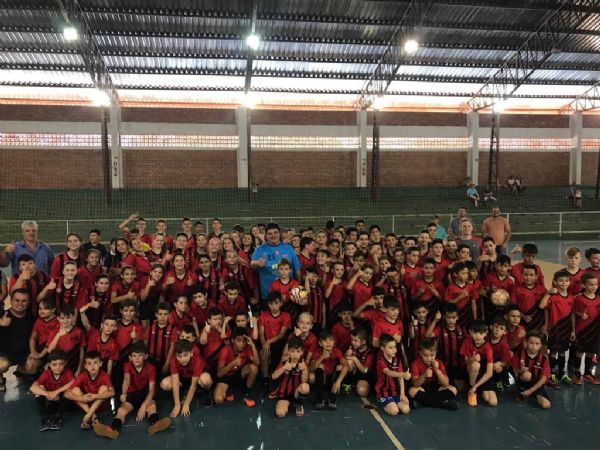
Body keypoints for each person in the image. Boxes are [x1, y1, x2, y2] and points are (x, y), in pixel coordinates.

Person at [93, 341, 170, 439]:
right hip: (132, 394)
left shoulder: (151, 368)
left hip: (146, 393)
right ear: (130, 357)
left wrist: (143, 407)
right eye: (134, 356)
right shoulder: (127, 365)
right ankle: (112, 429)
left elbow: (152, 390)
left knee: (151, 407)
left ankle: (155, 424)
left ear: (146, 356)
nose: (137, 359)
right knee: (121, 410)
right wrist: (124, 393)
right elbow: (126, 379)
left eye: (140, 356)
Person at [251, 223, 301, 305]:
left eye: (275, 232)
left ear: (279, 234)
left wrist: (298, 288)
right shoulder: (260, 249)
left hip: (290, 295)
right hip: (268, 295)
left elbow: (297, 269)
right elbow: (252, 264)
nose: (273, 235)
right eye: (270, 233)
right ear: (266, 236)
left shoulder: (288, 248)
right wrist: (257, 263)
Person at [161, 339, 213, 417]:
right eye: (179, 356)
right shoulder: (173, 360)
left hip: (198, 380)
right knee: (164, 384)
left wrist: (186, 404)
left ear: (191, 353)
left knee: (205, 380)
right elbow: (175, 382)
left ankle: (207, 392)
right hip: (184, 378)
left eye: (185, 355)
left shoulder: (197, 360)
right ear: (176, 354)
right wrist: (177, 405)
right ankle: (183, 392)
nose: (182, 359)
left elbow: (193, 385)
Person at [539, 270, 574, 386]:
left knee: (563, 352)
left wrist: (573, 330)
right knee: (553, 352)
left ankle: (562, 373)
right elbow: (542, 305)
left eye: (566, 281)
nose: (564, 283)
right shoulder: (553, 297)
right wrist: (548, 293)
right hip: (554, 329)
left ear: (569, 282)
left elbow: (573, 314)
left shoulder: (571, 298)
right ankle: (552, 374)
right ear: (555, 282)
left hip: (566, 329)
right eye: (561, 280)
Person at [65, 350, 115, 430]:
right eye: (89, 363)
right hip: (87, 404)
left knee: (104, 388)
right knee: (75, 390)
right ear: (85, 366)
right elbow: (66, 394)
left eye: (95, 363)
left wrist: (96, 396)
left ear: (100, 364)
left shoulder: (104, 375)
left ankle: (88, 416)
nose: (92, 366)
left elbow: (112, 392)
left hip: (100, 405)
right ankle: (93, 416)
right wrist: (81, 398)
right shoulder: (83, 376)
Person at [214, 327, 260, 408]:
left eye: (244, 341)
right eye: (239, 340)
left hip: (238, 374)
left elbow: (257, 363)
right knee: (219, 400)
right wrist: (233, 363)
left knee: (254, 367)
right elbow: (219, 374)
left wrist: (252, 345)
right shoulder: (225, 350)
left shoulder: (247, 348)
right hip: (225, 377)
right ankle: (226, 390)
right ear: (232, 340)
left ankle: (247, 393)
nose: (242, 343)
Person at [30, 349, 74, 431]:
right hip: (51, 399)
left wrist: (56, 392)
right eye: (54, 364)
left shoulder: (68, 372)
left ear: (65, 363)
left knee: (70, 391)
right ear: (49, 365)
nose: (58, 367)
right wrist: (47, 394)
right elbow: (32, 387)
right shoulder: (46, 373)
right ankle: (45, 418)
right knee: (40, 387)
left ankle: (58, 417)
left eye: (61, 364)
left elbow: (73, 382)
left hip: (63, 401)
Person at [0, 288, 35, 391]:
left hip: (24, 355)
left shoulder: (31, 317)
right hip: (4, 355)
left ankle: (21, 371)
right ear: (11, 301)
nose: (20, 303)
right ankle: (1, 379)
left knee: (32, 366)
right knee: (1, 365)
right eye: (17, 300)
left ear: (28, 303)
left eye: (24, 301)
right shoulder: (3, 315)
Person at [409, 338, 458, 410]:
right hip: (423, 388)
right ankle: (442, 404)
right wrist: (424, 376)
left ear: (436, 353)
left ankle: (424, 402)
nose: (429, 358)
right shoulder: (415, 363)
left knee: (453, 389)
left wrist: (437, 370)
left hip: (435, 389)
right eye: (425, 355)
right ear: (420, 353)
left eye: (432, 355)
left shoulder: (439, 362)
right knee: (412, 391)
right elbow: (415, 384)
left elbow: (446, 383)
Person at [571, 273, 600, 385]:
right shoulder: (578, 299)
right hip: (582, 330)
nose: (594, 287)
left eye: (596, 284)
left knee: (591, 352)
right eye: (591, 284)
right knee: (580, 352)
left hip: (595, 330)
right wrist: (580, 314)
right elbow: (573, 313)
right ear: (584, 285)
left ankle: (587, 372)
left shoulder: (599, 299)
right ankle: (578, 372)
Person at [461, 320, 497, 407]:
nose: (478, 336)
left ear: (486, 333)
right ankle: (472, 391)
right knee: (475, 365)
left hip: (482, 374)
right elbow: (465, 361)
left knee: (493, 402)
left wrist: (476, 386)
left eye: (481, 333)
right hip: (470, 371)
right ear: (470, 332)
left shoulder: (488, 347)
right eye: (475, 333)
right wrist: (472, 359)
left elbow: (489, 373)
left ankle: (476, 388)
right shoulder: (467, 341)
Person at [272, 336, 310, 418]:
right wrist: (284, 368)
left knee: (305, 387)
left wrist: (304, 370)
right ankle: (283, 405)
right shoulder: (284, 362)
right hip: (284, 394)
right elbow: (273, 377)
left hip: (296, 393)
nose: (295, 354)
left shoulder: (302, 364)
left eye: (298, 351)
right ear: (289, 351)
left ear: (302, 352)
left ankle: (299, 404)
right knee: (280, 413)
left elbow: (304, 381)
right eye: (292, 351)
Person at [310, 329, 348, 410]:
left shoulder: (336, 351)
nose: (328, 343)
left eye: (331, 340)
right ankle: (319, 399)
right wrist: (321, 357)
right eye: (325, 341)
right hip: (321, 380)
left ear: (334, 342)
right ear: (320, 343)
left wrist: (338, 382)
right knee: (319, 366)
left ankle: (333, 399)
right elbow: (311, 368)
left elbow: (346, 365)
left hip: (332, 380)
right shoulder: (317, 352)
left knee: (340, 367)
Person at [512, 331, 551, 409]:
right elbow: (514, 370)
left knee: (546, 405)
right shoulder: (519, 354)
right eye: (531, 343)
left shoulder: (543, 359)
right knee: (526, 375)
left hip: (537, 384)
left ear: (540, 345)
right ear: (526, 343)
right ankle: (521, 389)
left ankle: (532, 393)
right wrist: (520, 370)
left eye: (537, 344)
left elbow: (544, 378)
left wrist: (531, 390)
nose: (533, 346)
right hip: (524, 381)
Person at [374, 334, 410, 416]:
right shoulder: (380, 361)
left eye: (395, 347)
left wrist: (402, 394)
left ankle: (394, 402)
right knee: (394, 412)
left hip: (395, 392)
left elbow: (400, 378)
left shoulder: (397, 359)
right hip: (384, 393)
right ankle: (383, 403)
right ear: (382, 348)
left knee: (406, 410)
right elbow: (389, 372)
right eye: (390, 348)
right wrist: (403, 374)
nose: (394, 350)